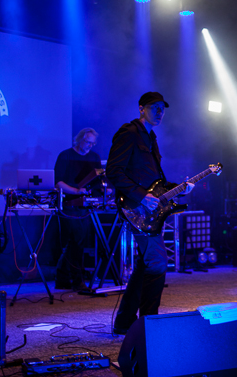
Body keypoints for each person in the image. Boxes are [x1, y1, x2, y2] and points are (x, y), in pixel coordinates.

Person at [106, 92, 193, 334]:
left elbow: (155, 181)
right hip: (135, 207)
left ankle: (124, 321)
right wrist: (141, 196)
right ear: (141, 108)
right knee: (157, 261)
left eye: (162, 108)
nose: (160, 112)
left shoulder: (151, 138)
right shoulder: (129, 132)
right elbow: (113, 172)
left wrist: (181, 189)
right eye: (154, 107)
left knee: (146, 264)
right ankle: (149, 324)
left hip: (148, 208)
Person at [54, 127, 101, 291]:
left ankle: (63, 278)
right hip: (68, 204)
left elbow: (96, 182)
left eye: (92, 143)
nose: (89, 146)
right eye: (87, 142)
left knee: (77, 242)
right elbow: (58, 182)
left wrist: (104, 190)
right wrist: (76, 191)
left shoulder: (94, 157)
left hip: (85, 205)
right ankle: (77, 281)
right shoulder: (65, 155)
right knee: (76, 241)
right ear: (79, 139)